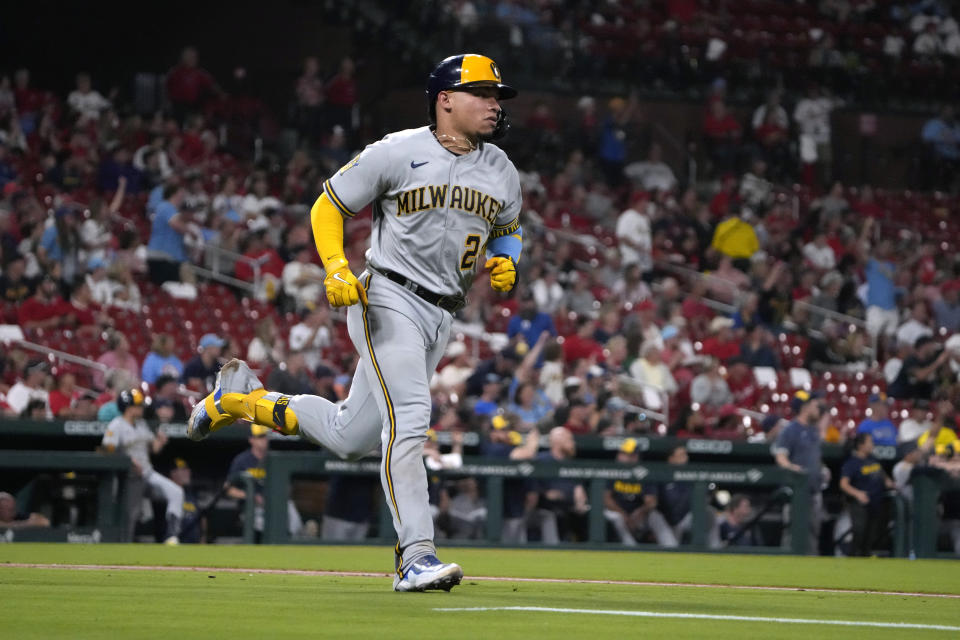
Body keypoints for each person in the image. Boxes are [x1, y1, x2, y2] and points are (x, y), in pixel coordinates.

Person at [186, 53, 522, 592]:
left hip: (442, 317)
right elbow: (328, 206)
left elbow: (509, 225)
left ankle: (241, 400)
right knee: (410, 417)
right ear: (446, 99)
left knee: (350, 436)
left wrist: (509, 259)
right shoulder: (397, 150)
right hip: (388, 297)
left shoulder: (501, 167)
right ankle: (416, 555)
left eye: (496, 96)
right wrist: (337, 267)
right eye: (482, 93)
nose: (493, 104)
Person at [101, 389, 183, 544]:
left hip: (147, 473)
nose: (141, 408)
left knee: (176, 492)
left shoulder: (141, 424)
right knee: (132, 514)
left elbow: (154, 449)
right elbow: (107, 451)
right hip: (128, 478)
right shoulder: (115, 426)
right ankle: (124, 545)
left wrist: (160, 441)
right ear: (128, 407)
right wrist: (129, 461)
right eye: (137, 405)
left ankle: (172, 536)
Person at [225, 424, 303, 541]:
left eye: (265, 436)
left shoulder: (274, 458)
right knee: (264, 525)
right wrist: (251, 496)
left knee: (295, 523)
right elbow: (228, 489)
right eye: (260, 437)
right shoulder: (242, 460)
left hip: (275, 504)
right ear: (251, 440)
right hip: (252, 507)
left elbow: (286, 486)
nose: (264, 440)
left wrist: (278, 497)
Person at [772, 390, 828, 554]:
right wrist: (792, 468)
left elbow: (814, 457)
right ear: (805, 407)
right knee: (793, 534)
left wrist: (822, 468)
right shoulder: (791, 430)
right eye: (813, 404)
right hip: (797, 493)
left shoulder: (813, 431)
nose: (816, 407)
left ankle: (810, 574)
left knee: (813, 534)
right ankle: (786, 572)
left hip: (814, 491)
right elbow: (780, 457)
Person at [839, 433, 895, 556]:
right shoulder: (852, 463)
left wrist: (889, 482)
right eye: (869, 442)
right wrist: (857, 494)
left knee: (872, 535)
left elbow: (882, 475)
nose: (872, 445)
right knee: (859, 532)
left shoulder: (873, 459)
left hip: (876, 502)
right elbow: (843, 484)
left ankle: (865, 558)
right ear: (861, 445)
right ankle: (853, 558)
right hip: (859, 503)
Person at [604, 438, 658, 545]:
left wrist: (640, 513)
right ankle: (631, 547)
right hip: (617, 512)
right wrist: (624, 515)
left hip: (638, 514)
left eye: (632, 455)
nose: (628, 458)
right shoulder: (612, 471)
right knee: (616, 518)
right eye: (624, 454)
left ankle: (670, 546)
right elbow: (605, 498)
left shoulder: (643, 473)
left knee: (655, 516)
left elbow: (651, 501)